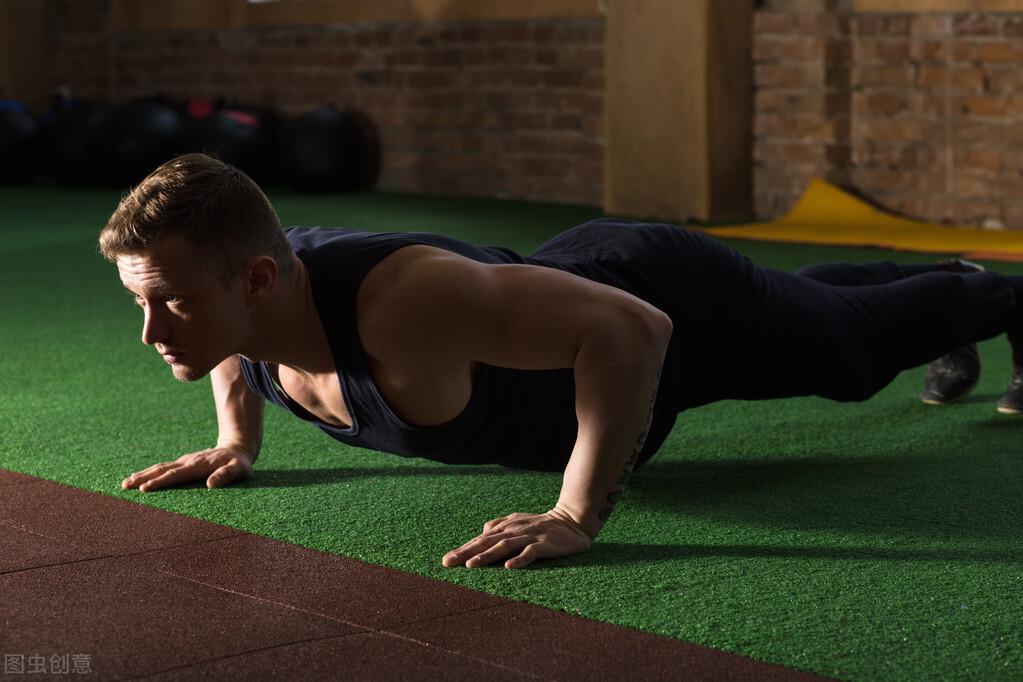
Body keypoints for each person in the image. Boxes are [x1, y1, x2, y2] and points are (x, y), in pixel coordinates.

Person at [101, 154, 1023, 570]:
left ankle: (996, 293)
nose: (153, 332)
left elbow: (632, 333)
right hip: (563, 307)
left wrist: (576, 514)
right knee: (813, 314)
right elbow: (234, 343)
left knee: (847, 354)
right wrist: (235, 439)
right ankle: (935, 281)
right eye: (140, 300)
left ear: (259, 279)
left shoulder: (402, 302)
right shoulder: (249, 302)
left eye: (171, 302)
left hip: (656, 299)